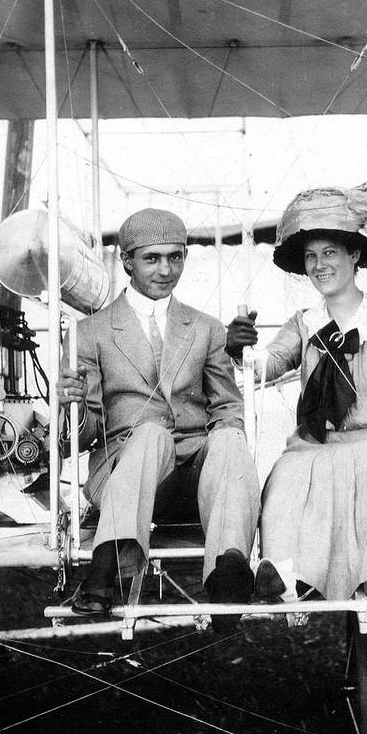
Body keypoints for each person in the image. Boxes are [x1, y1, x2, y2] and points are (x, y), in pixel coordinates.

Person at [226, 185, 367, 635]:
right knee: (283, 477)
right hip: (314, 448)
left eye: (330, 252)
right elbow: (265, 369)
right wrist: (241, 352)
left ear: (354, 256)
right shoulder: (303, 324)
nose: (319, 265)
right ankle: (287, 580)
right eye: (310, 257)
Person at [57, 207, 259, 632]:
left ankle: (227, 576)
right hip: (125, 475)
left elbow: (227, 406)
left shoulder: (206, 329)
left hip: (190, 483)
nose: (166, 270)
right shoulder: (90, 332)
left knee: (228, 438)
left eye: (176, 257)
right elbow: (84, 433)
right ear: (126, 261)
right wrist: (69, 406)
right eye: (152, 258)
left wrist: (226, 441)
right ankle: (104, 567)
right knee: (151, 435)